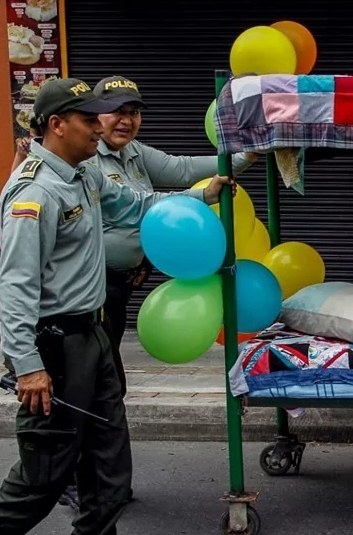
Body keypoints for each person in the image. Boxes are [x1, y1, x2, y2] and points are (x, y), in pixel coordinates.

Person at [0, 78, 232, 535]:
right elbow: (14, 287)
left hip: (92, 333)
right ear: (57, 125)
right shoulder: (34, 192)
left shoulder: (85, 173)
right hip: (53, 345)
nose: (100, 129)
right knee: (50, 463)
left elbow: (138, 204)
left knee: (108, 449)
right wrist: (27, 365)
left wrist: (202, 193)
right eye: (90, 120)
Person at [87, 75, 255, 365]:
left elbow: (180, 168)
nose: (126, 120)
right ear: (95, 114)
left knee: (104, 366)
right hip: (92, 285)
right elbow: (136, 205)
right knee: (100, 370)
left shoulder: (132, 150)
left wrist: (241, 158)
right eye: (117, 111)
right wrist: (201, 196)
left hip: (120, 284)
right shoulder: (87, 159)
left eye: (134, 112)